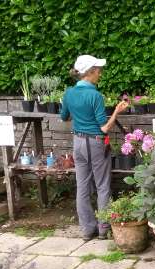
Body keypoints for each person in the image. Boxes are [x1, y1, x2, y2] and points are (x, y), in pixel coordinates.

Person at [60, 55, 128, 241]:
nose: (100, 72)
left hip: (78, 143)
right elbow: (104, 128)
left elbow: (64, 117)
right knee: (102, 186)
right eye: (98, 69)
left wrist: (81, 117)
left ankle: (87, 230)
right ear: (89, 72)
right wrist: (116, 111)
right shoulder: (96, 96)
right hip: (96, 143)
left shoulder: (69, 93)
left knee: (82, 186)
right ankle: (103, 229)